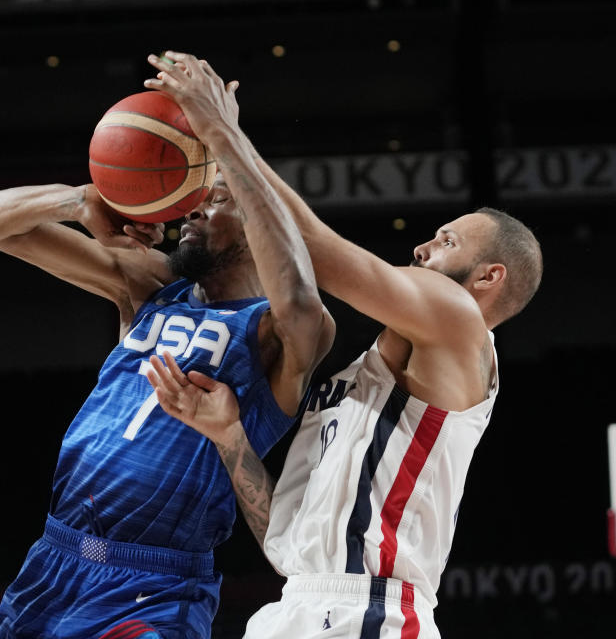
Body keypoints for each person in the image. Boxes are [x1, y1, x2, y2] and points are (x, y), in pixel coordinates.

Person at [145, 51, 543, 639]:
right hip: (296, 607)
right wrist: (230, 438)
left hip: (371, 613)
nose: (421, 250)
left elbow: (318, 255)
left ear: (488, 277)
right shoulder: (363, 376)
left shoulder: (460, 323)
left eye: (446, 241)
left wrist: (224, 134)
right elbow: (293, 545)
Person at [0, 58, 334, 638]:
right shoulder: (154, 288)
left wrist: (220, 134)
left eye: (216, 201)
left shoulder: (277, 331)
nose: (193, 209)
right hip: (54, 559)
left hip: (154, 585)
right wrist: (81, 198)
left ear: (260, 226)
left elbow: (298, 295)